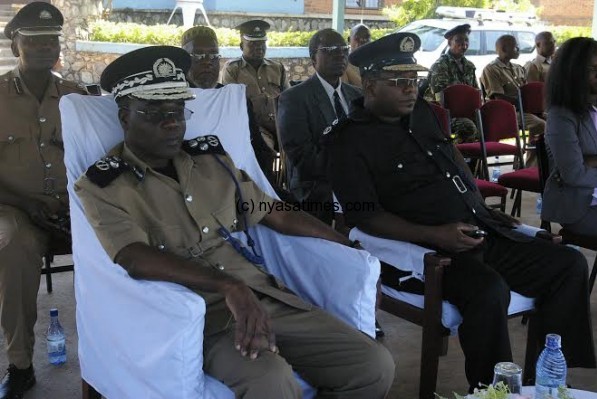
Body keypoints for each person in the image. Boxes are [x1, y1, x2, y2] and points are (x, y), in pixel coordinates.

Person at [74, 45, 395, 399]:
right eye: (153, 112)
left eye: (177, 109)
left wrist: (349, 249)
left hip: (263, 295)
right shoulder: (104, 185)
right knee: (272, 380)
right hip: (197, 318)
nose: (171, 121)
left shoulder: (212, 161)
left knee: (373, 365)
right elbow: (133, 256)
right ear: (124, 118)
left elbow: (276, 213)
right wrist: (228, 287)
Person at [326, 32, 596, 392]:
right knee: (490, 291)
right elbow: (365, 217)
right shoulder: (347, 140)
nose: (411, 89)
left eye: (414, 80)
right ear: (371, 86)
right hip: (422, 254)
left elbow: (455, 163)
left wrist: (483, 209)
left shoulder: (421, 114)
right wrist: (435, 236)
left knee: (567, 263)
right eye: (400, 82)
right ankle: (491, 390)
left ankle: (540, 381)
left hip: (477, 231)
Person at [0, 3, 88, 398]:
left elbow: (95, 160)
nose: (43, 47)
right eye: (33, 39)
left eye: (50, 39)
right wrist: (26, 204)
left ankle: (111, 356)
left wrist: (81, 205)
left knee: (122, 245)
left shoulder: (76, 96)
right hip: (13, 208)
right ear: (14, 42)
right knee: (15, 248)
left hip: (73, 208)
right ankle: (19, 364)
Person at [277, 28, 362, 224]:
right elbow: (303, 158)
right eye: (330, 49)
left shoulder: (357, 96)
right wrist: (349, 174)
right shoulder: (294, 98)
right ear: (313, 58)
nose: (340, 54)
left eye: (344, 49)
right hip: (316, 186)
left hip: (357, 182)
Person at [181, 25, 280, 190]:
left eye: (213, 55)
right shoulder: (172, 101)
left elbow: (258, 149)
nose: (207, 62)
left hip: (241, 186)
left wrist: (270, 189)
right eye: (198, 55)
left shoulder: (235, 99)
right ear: (184, 59)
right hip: (194, 189)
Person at [542, 37, 597, 236]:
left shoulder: (596, 108)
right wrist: (585, 163)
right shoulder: (561, 116)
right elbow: (574, 174)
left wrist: (592, 161)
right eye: (594, 69)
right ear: (572, 74)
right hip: (581, 207)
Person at [222, 20, 289, 152]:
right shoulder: (232, 69)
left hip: (281, 124)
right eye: (252, 44)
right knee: (264, 150)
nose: (259, 47)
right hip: (254, 127)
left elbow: (288, 99)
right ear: (242, 46)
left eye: (262, 43)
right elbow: (232, 104)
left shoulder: (277, 67)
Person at [481, 35, 546, 142]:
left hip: (525, 110)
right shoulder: (491, 69)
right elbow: (499, 98)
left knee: (556, 121)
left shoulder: (518, 68)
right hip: (506, 112)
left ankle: (540, 154)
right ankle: (534, 153)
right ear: (504, 49)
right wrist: (523, 103)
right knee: (541, 124)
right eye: (516, 47)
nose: (519, 49)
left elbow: (527, 91)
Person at [426, 23, 479, 143]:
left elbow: (476, 92)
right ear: (450, 42)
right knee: (468, 126)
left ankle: (470, 159)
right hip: (442, 114)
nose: (464, 44)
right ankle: (452, 155)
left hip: (466, 112)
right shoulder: (440, 66)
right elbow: (441, 99)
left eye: (466, 40)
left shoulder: (469, 66)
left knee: (486, 123)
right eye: (459, 40)